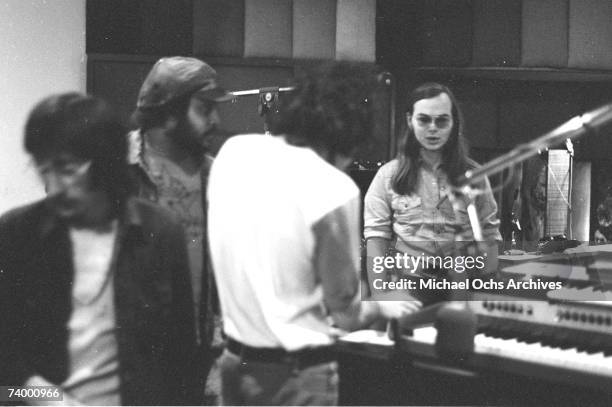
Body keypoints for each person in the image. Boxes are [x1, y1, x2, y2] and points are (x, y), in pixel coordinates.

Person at [207, 62, 422, 406]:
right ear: (348, 132)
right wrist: (384, 303)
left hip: (234, 366)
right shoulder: (334, 188)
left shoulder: (233, 152)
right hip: (296, 375)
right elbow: (347, 314)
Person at [0, 93, 198, 405]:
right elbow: (5, 375)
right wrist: (44, 397)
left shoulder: (158, 231)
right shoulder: (16, 234)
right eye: (43, 168)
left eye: (67, 168)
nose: (54, 184)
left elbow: (182, 357)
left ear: (104, 161)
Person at [128, 56, 232, 402]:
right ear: (169, 113)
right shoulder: (115, 169)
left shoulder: (218, 176)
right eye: (204, 109)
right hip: (131, 358)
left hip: (198, 356)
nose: (216, 121)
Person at [364, 82, 501, 302]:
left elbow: (490, 236)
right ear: (410, 121)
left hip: (459, 289)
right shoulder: (387, 176)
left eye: (441, 120)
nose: (433, 128)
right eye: (424, 119)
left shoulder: (474, 176)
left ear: (453, 123)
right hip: (407, 289)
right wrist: (380, 298)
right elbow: (376, 240)